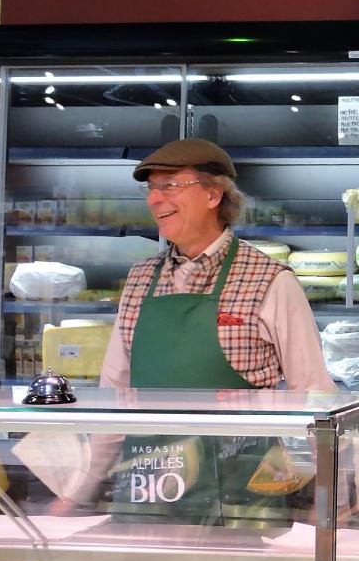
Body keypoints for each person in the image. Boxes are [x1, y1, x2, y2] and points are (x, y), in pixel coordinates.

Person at [99, 138, 335, 392]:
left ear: (212, 195)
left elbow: (313, 392)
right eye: (151, 188)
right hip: (146, 422)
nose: (153, 199)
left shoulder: (271, 281)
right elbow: (113, 389)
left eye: (170, 185)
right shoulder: (140, 278)